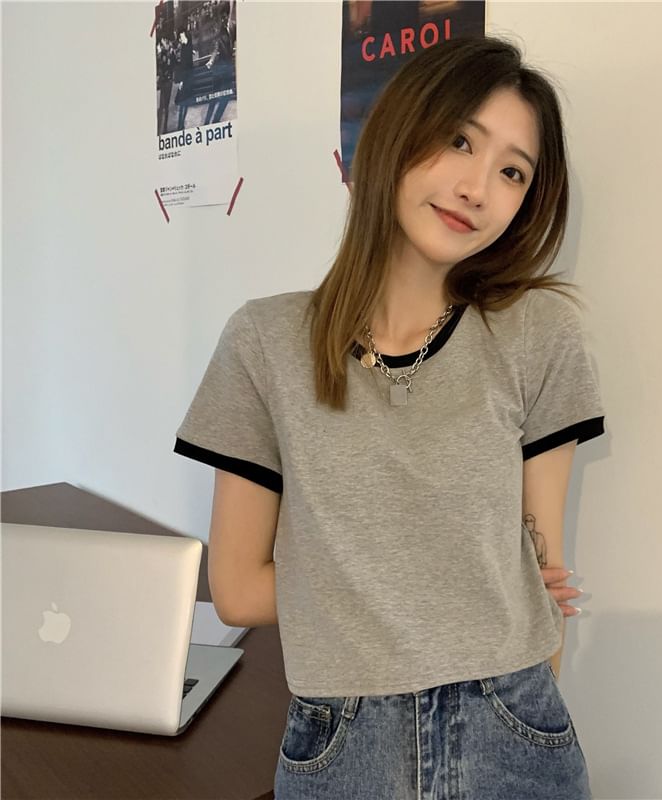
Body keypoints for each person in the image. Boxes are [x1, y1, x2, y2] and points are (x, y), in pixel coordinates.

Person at [174, 34, 605, 799]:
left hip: (512, 722)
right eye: (459, 141)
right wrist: (467, 575)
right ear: (396, 134)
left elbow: (538, 582)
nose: (477, 187)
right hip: (342, 739)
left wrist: (460, 580)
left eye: (512, 171)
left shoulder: (538, 334)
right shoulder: (265, 342)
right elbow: (236, 589)